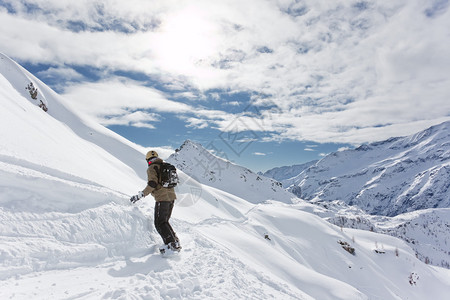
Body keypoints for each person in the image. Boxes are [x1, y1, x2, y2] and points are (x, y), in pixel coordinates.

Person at [130, 150, 181, 252]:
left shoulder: (152, 168)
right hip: (171, 198)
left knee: (159, 223)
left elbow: (152, 184)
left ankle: (171, 245)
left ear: (148, 160)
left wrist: (141, 195)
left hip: (162, 199)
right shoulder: (165, 165)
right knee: (165, 221)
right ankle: (175, 241)